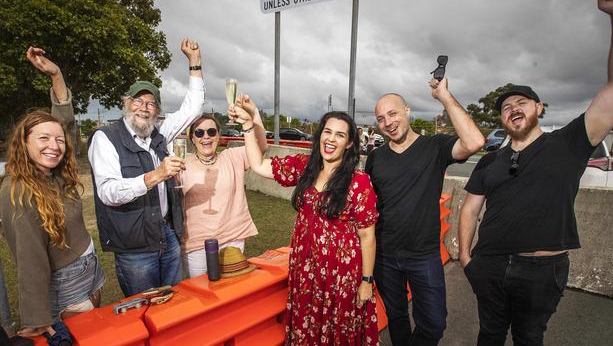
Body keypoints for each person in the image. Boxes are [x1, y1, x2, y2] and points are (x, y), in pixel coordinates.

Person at [458, 0, 613, 345]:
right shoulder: (491, 160)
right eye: (506, 106)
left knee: (529, 337)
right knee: (489, 334)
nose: (514, 108)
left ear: (540, 109)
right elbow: (469, 209)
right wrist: (466, 257)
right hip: (489, 265)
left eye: (523, 101)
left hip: (542, 271)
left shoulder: (569, 143)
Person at [231, 97, 380, 345]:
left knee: (337, 333)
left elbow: (367, 236)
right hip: (305, 273)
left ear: (349, 143)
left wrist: (366, 281)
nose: (331, 139)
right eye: (327, 132)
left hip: (340, 277)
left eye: (340, 135)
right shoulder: (304, 168)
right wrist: (248, 124)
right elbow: (257, 165)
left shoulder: (359, 181)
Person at [364, 78, 485, 345]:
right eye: (381, 119)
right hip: (385, 255)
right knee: (396, 317)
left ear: (407, 111)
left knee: (433, 323)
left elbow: (475, 141)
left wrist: (443, 95)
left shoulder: (435, 147)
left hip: (424, 255)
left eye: (393, 113)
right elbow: (367, 206)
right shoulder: (375, 157)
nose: (388, 122)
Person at [0, 47, 105, 336]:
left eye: (59, 140)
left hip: (89, 266)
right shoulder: (18, 189)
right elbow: (28, 256)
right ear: (24, 143)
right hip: (65, 281)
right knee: (84, 338)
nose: (54, 145)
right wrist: (36, 317)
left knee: (95, 330)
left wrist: (56, 75)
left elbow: (66, 124)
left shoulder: (55, 172)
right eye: (43, 138)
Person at [88, 38, 204, 296]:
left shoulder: (159, 132)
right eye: (137, 101)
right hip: (134, 246)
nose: (144, 107)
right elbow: (108, 193)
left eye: (151, 103)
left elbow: (193, 107)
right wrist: (156, 175)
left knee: (172, 304)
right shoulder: (105, 138)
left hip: (167, 234)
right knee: (142, 309)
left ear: (157, 111)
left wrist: (194, 62)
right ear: (125, 103)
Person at [180, 109, 267, 278]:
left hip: (232, 238)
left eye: (211, 132)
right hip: (196, 243)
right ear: (192, 138)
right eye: (199, 132)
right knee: (201, 294)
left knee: (231, 290)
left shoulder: (232, 157)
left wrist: (254, 114)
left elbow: (261, 147)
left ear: (218, 136)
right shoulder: (181, 164)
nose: (206, 137)